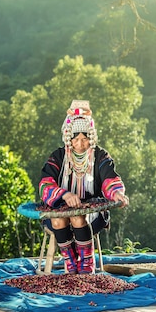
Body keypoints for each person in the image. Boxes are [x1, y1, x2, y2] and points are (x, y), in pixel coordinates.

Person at [38, 100, 129, 274]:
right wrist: (64, 195)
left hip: (91, 211)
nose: (80, 144)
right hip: (60, 207)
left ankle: (86, 263)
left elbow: (109, 178)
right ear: (68, 138)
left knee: (78, 218)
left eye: (85, 139)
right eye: (76, 139)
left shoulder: (100, 156)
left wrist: (117, 193)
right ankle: (71, 262)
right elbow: (45, 183)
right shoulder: (58, 156)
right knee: (58, 220)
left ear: (91, 138)